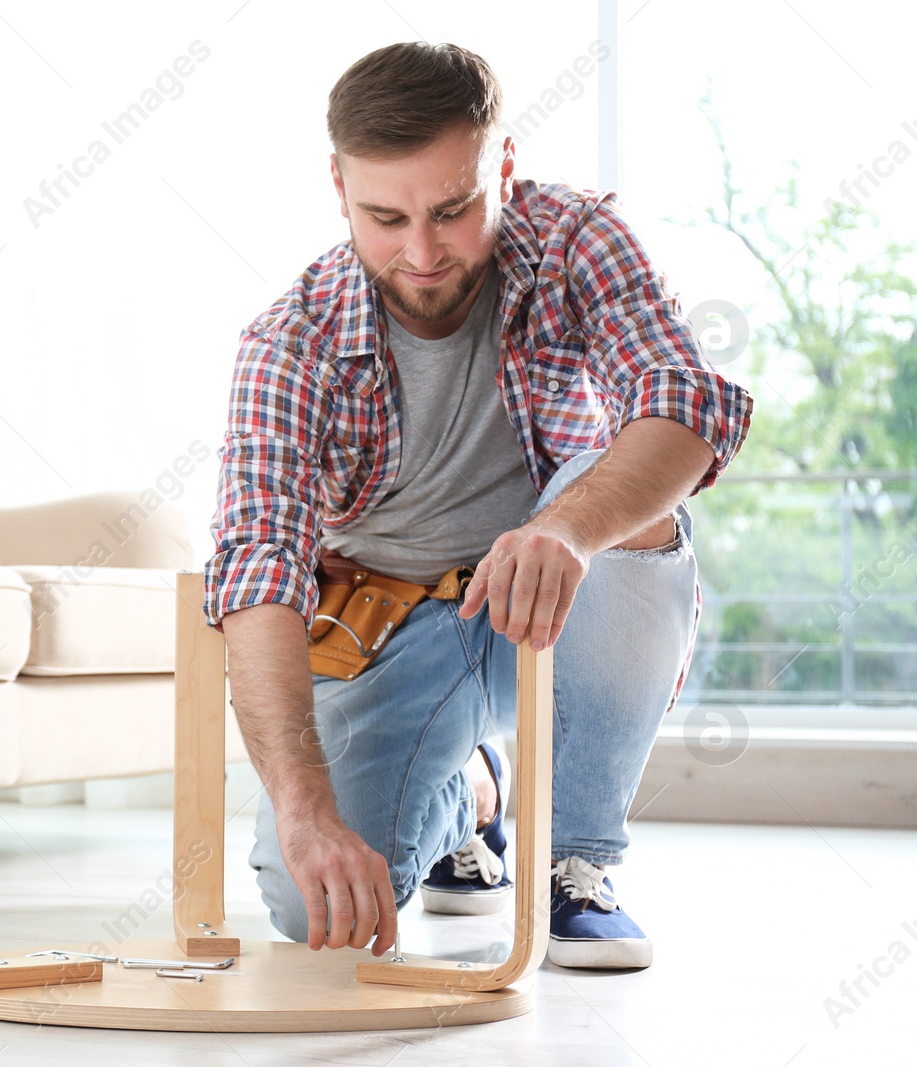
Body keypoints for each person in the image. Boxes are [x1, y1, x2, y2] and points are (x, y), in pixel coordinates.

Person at [201, 41, 753, 970]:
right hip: (389, 630)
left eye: (453, 210)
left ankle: (576, 858)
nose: (422, 254)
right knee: (312, 908)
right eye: (386, 218)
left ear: (502, 165)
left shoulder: (575, 239)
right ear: (338, 188)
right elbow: (258, 565)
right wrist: (303, 810)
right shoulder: (289, 345)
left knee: (624, 499)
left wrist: (564, 527)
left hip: (550, 603)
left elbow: (682, 404)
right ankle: (476, 790)